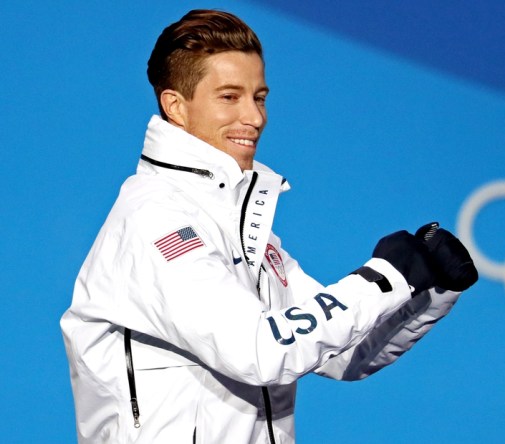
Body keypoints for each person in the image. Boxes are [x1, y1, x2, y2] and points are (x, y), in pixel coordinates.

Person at [60, 9, 477, 444]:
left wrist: (426, 289)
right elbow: (259, 350)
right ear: (176, 107)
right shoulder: (155, 219)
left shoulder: (240, 225)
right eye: (229, 97)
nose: (254, 117)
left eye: (259, 97)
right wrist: (385, 276)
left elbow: (345, 354)